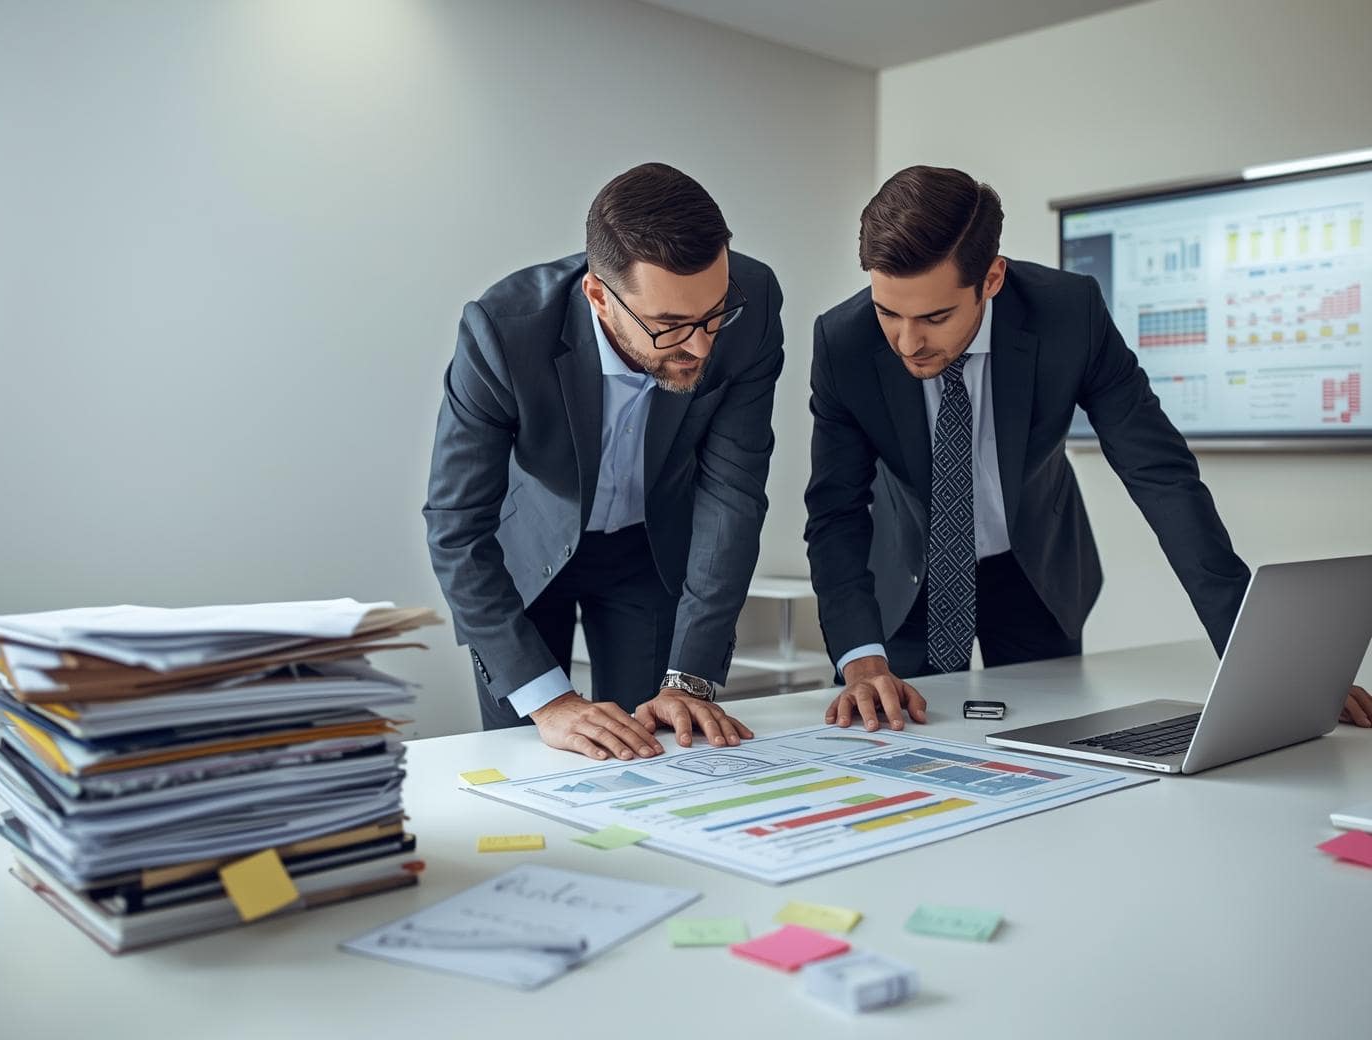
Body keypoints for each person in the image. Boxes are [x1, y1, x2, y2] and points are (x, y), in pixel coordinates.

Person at [803, 164, 1372, 731]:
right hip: (902, 578)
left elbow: (1161, 474)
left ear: (993, 278)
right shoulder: (844, 342)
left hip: (1034, 571)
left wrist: (1265, 660)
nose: (907, 341)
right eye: (888, 312)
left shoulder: (1069, 314)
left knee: (1048, 750)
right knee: (887, 745)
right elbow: (836, 512)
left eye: (935, 316)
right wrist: (859, 656)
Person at [425, 162, 786, 760]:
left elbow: (733, 494)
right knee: (528, 757)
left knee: (655, 752)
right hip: (525, 561)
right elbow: (455, 525)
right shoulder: (503, 330)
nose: (701, 346)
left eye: (714, 313)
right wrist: (549, 703)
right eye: (670, 326)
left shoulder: (753, 305)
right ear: (599, 295)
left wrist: (689, 677)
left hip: (646, 551)